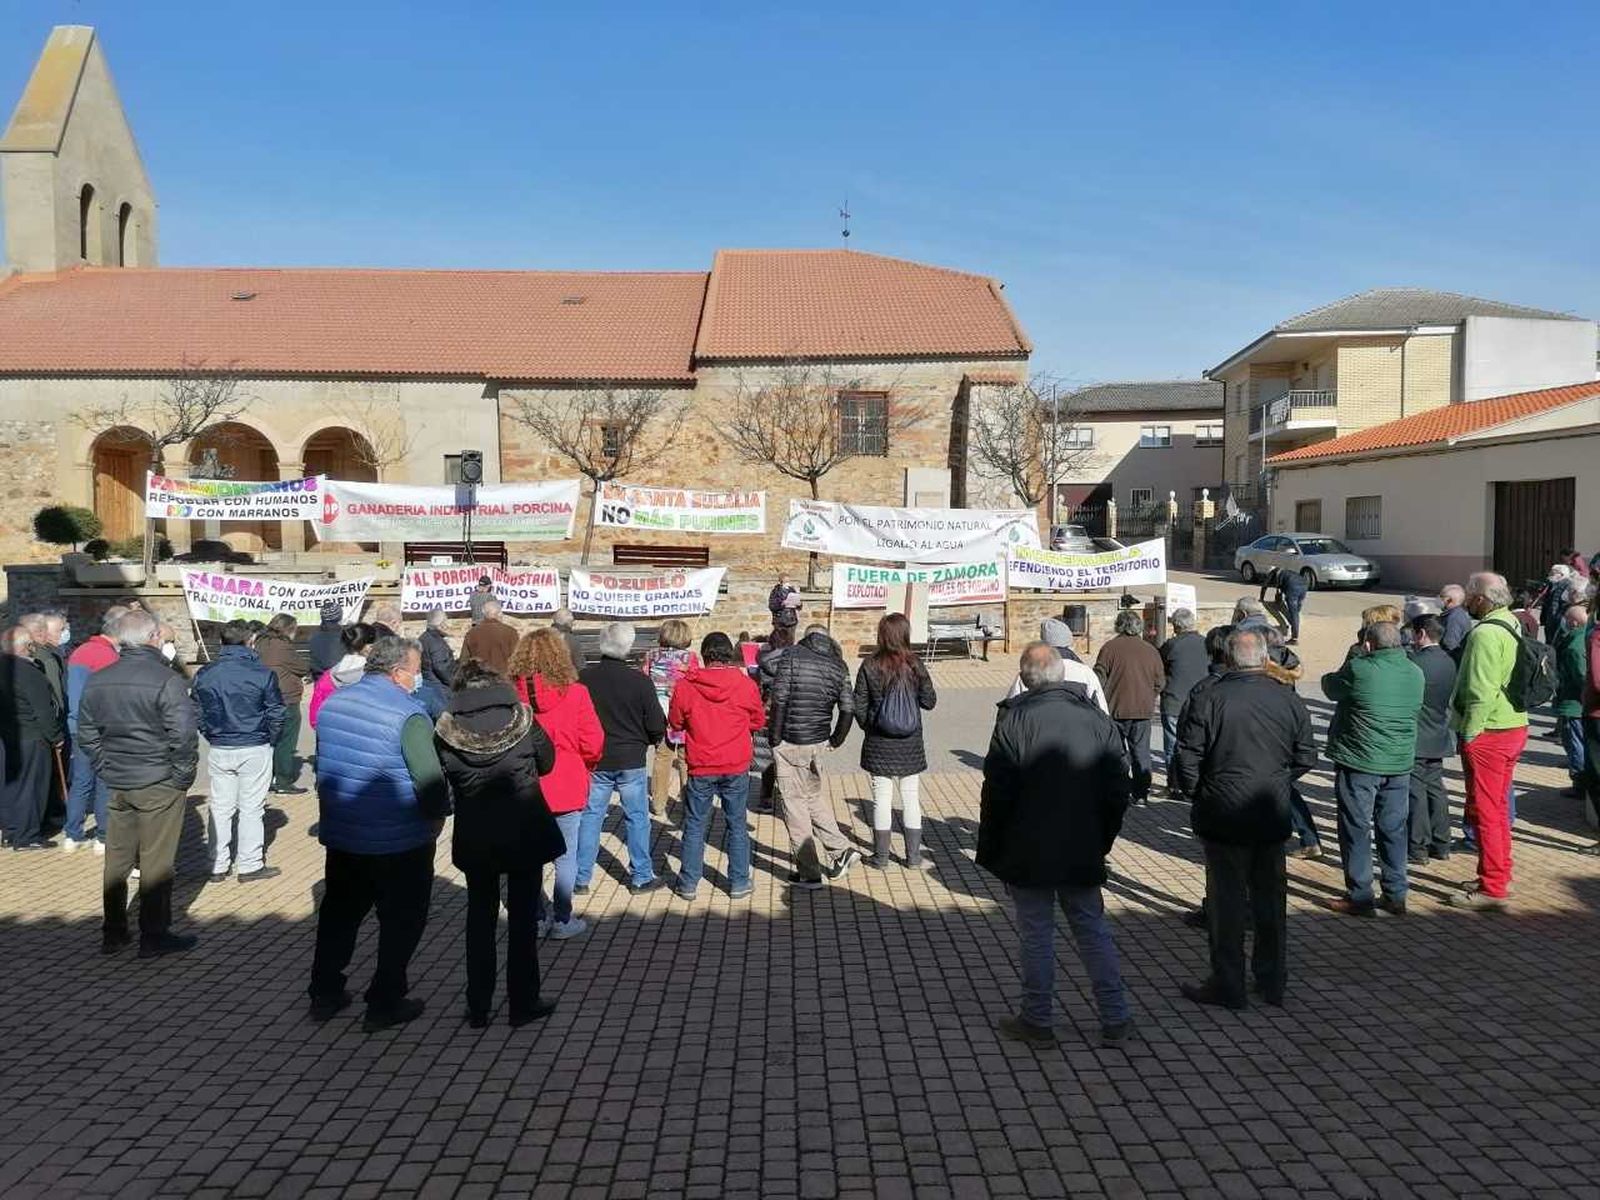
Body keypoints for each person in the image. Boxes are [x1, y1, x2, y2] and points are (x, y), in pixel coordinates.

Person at [979, 643, 1134, 1046]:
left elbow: (996, 793)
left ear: (1026, 679)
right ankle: (1115, 1017)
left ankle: (1038, 1019)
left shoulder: (1013, 720)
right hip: (1081, 844)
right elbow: (1118, 787)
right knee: (1091, 929)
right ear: (1062, 675)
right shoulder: (1097, 720)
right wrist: (1102, 838)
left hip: (1029, 846)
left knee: (1036, 934)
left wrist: (995, 848)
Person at [308, 636, 449, 1031]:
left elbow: (327, 763)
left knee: (339, 915)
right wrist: (438, 818)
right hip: (398, 837)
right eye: (416, 671)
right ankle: (385, 999)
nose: (417, 678)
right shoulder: (409, 714)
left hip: (345, 832)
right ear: (397, 672)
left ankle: (325, 991)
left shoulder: (334, 703)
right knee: (401, 920)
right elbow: (429, 779)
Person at [1174, 628, 1317, 1008]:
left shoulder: (1210, 696)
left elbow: (1187, 757)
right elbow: (1306, 755)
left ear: (1230, 658)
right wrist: (1277, 780)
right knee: (1270, 901)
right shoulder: (1286, 697)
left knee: (1227, 904)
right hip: (1268, 810)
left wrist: (1199, 791)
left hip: (1225, 811)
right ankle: (1270, 981)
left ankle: (1230, 982)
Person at [435, 660, 560, 1028]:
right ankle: (523, 1001)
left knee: (480, 918)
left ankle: (479, 1004)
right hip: (523, 823)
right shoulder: (521, 719)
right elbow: (548, 761)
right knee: (522, 920)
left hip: (477, 830)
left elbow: (444, 775)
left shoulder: (446, 729)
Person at [78, 610, 199, 956]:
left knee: (117, 857)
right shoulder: (167, 679)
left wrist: (106, 766)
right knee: (156, 860)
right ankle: (154, 934)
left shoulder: (100, 678)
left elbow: (87, 733)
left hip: (121, 779)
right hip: (157, 780)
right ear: (152, 638)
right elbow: (184, 736)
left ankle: (114, 930)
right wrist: (182, 776)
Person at [1320, 621, 1423, 917]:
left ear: (1368, 645)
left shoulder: (1360, 668)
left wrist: (1354, 658)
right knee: (1393, 828)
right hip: (1400, 762)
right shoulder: (1415, 672)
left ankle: (1360, 895)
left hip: (1360, 761)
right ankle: (1396, 893)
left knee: (1356, 827)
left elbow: (1329, 686)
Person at [510, 628, 605, 937]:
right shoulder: (576, 693)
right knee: (566, 855)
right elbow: (593, 741)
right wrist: (586, 765)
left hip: (526, 784)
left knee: (528, 857)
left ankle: (535, 917)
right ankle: (563, 918)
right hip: (567, 780)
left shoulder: (511, 695)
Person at [1446, 573, 1529, 910]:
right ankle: (1495, 873)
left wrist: (1469, 734)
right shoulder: (1511, 622)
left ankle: (1493, 887)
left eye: (1470, 592)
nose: (1467, 597)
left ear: (1482, 598)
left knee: (1487, 812)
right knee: (1496, 809)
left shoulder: (1484, 634)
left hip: (1490, 732)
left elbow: (1481, 691)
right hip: (1513, 726)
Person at [668, 632, 766, 900]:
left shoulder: (687, 685)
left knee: (695, 824)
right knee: (736, 823)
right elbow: (757, 720)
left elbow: (675, 722)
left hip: (701, 762)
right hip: (735, 762)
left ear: (705, 654)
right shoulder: (744, 685)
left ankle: (689, 883)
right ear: (728, 655)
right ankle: (738, 881)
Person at [192, 619, 286, 882]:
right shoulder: (262, 673)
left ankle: (218, 864)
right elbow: (277, 712)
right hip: (253, 744)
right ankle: (249, 864)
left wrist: (210, 733)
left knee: (221, 807)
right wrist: (271, 739)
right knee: (251, 808)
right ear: (250, 642)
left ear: (222, 642)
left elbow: (196, 710)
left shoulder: (205, 673)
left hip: (223, 744)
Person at [576, 623, 665, 895]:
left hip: (596, 757)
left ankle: (581, 877)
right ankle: (640, 875)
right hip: (630, 757)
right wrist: (649, 741)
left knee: (591, 817)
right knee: (637, 817)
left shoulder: (584, 679)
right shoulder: (639, 681)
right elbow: (655, 723)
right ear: (628, 647)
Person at [769, 624, 859, 888]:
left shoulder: (792, 656)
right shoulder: (837, 665)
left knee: (794, 806)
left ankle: (809, 871)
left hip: (790, 741)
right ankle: (841, 849)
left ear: (807, 637)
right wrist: (836, 739)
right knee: (811, 798)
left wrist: (775, 738)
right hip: (818, 740)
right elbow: (848, 708)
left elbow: (780, 698)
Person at [853, 613, 939, 868]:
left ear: (881, 634)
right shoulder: (915, 664)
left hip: (879, 741)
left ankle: (881, 857)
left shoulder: (869, 665)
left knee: (882, 798)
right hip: (910, 742)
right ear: (905, 634)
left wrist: (871, 726)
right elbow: (929, 701)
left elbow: (859, 703)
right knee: (910, 797)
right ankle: (913, 857)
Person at [63, 605, 127, 852]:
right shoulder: (110, 657)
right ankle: (102, 836)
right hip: (101, 728)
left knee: (80, 781)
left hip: (77, 726)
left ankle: (72, 834)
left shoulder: (80, 652)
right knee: (104, 782)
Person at [0, 625, 64, 850]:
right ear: (27, 646)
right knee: (30, 788)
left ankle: (10, 831)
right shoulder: (29, 672)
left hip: (5, 737)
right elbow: (43, 711)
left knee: (9, 786)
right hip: (30, 737)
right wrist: (56, 737)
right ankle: (27, 836)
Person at [1094, 609, 1164, 806]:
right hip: (1142, 710)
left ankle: (1121, 788)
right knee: (1141, 752)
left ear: (1119, 625)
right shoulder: (1150, 650)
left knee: (1117, 752)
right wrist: (1150, 696)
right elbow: (1160, 681)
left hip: (1115, 708)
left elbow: (1099, 677)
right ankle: (1141, 793)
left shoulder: (1109, 648)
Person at [1407, 614, 1458, 864]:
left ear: (1421, 634)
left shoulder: (1415, 662)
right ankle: (1442, 842)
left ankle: (1418, 846)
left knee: (1416, 792)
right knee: (1436, 790)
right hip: (1438, 732)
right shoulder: (1449, 661)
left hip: (1417, 735)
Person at [643, 619, 698, 815]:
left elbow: (644, 680)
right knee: (685, 759)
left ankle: (658, 804)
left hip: (658, 711)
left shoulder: (651, 655)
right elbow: (695, 683)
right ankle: (688, 803)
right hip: (683, 713)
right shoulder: (690, 657)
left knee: (662, 757)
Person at [254, 613, 308, 795]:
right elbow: (302, 667)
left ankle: (267, 779)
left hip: (264, 698)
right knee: (286, 742)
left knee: (269, 742)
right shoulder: (283, 647)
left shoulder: (261, 643)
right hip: (286, 699)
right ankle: (283, 781)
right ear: (289, 629)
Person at [1004, 619, 1107, 712]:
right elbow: (1102, 711)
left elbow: (1011, 706)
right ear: (1068, 641)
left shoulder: (1030, 671)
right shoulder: (1085, 672)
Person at [1158, 608, 1208, 799]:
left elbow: (1159, 666)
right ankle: (1195, 785)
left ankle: (1174, 786)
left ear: (1176, 626)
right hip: (1199, 703)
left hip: (1174, 701)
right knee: (1197, 745)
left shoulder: (1171, 645)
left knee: (1172, 745)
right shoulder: (1205, 643)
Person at [1552, 605, 1589, 798]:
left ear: (1573, 622)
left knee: (1575, 744)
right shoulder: (1585, 636)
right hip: (1578, 703)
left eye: (1566, 618)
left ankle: (1579, 784)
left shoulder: (1575, 645)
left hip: (1573, 704)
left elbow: (1581, 677)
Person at [309, 623, 376, 728]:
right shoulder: (375, 678)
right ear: (368, 647)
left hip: (331, 735)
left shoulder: (326, 678)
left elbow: (314, 719)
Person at [462, 600, 518, 675]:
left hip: (480, 678)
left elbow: (464, 660)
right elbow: (517, 658)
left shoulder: (472, 633)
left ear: (484, 615)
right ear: (499, 614)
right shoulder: (511, 632)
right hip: (504, 679)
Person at [419, 608, 457, 692]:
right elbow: (441, 667)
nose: (448, 625)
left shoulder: (423, 637)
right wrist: (455, 684)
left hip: (428, 685)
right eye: (446, 621)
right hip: (440, 688)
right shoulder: (436, 641)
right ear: (441, 624)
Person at [307, 602, 345, 680]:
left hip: (320, 679)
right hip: (339, 680)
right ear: (339, 616)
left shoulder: (314, 636)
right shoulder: (344, 636)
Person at [1538, 565, 1575, 644]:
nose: (1549, 575)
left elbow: (1562, 603)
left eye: (1552, 573)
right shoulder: (1553, 584)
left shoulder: (1567, 585)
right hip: (1550, 620)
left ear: (1561, 575)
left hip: (1557, 621)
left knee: (1555, 643)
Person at [1439, 584, 1472, 660]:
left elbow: (1450, 644)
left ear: (1449, 600)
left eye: (1441, 597)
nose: (1439, 599)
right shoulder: (1458, 613)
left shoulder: (1454, 618)